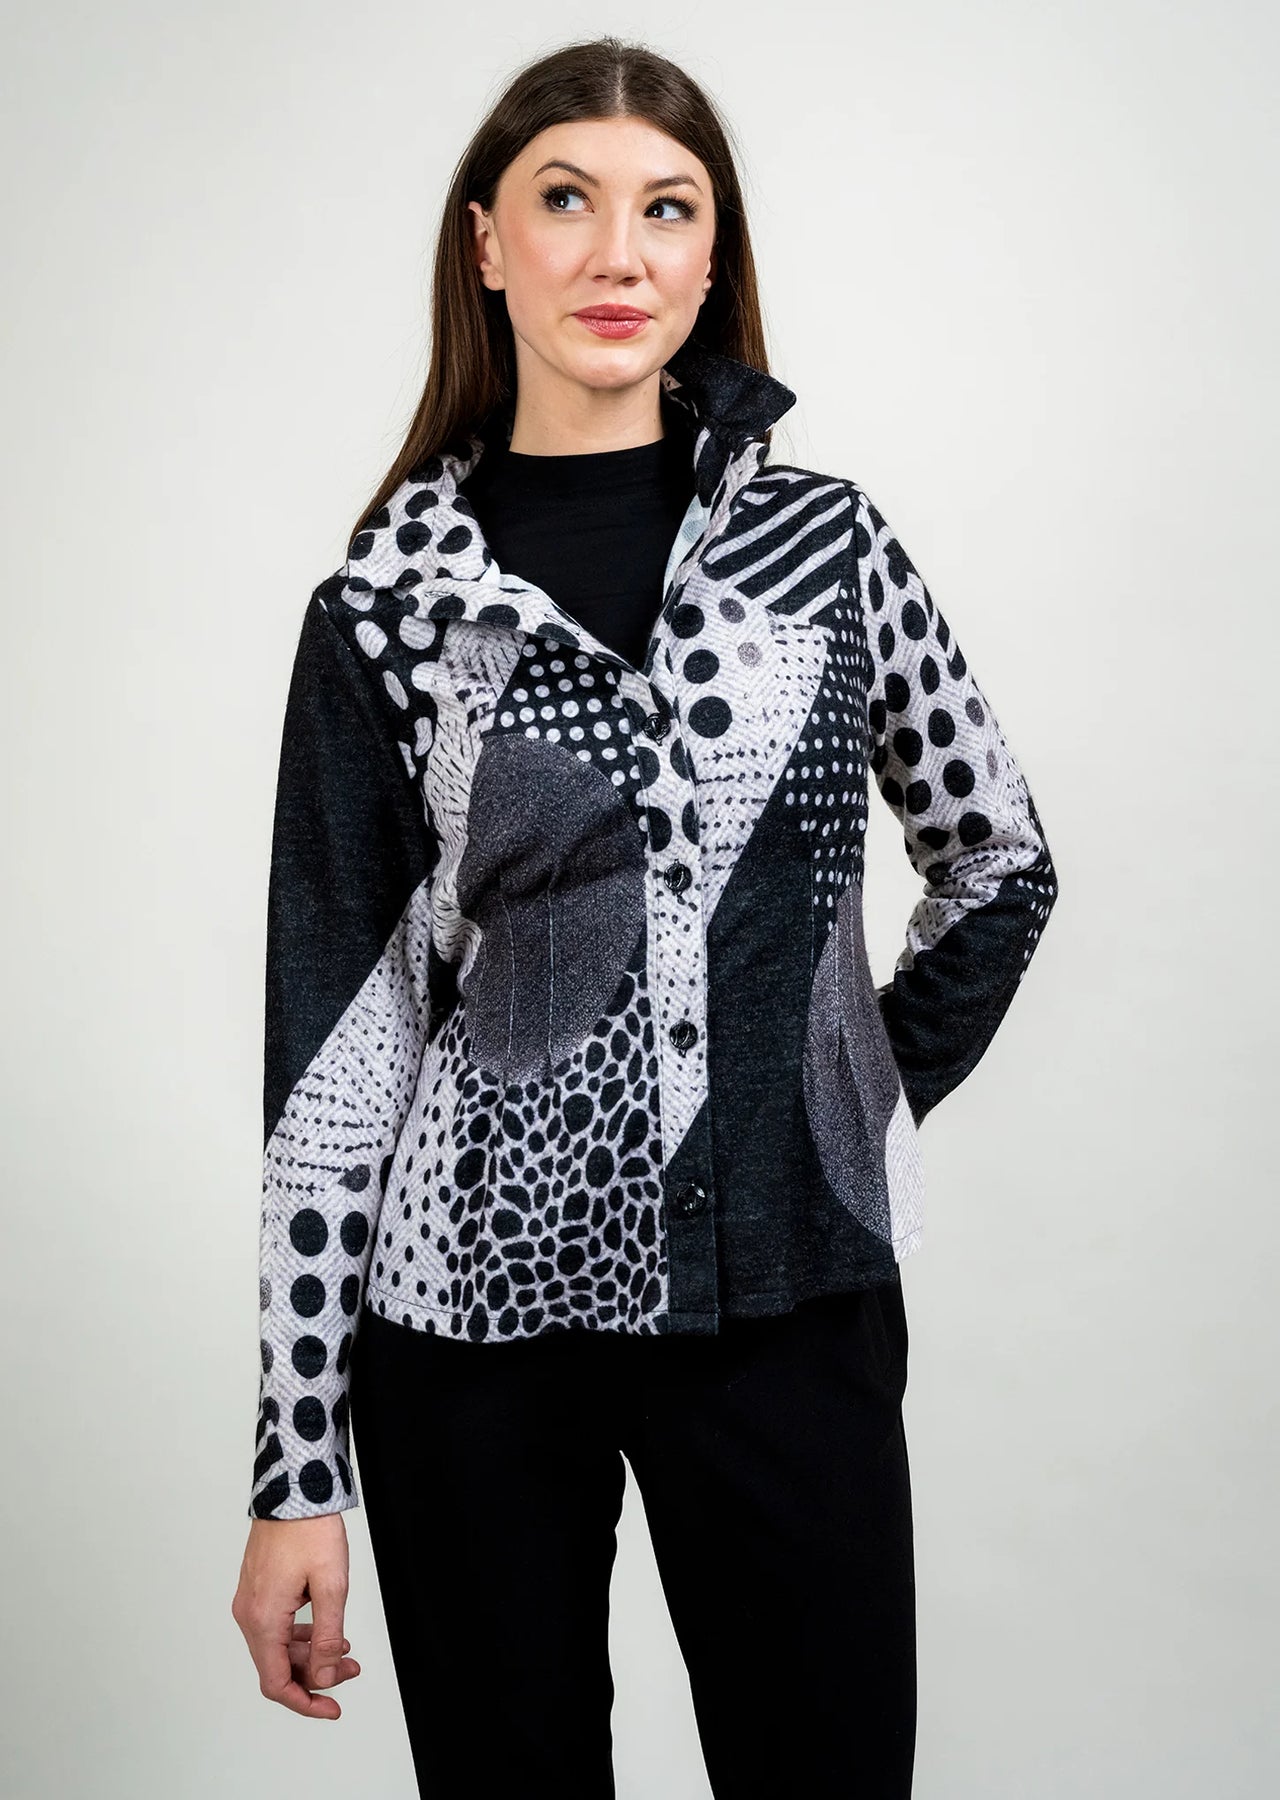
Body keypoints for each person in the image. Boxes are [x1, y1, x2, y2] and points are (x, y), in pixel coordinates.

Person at [231, 34, 1059, 1799]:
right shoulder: (384, 612)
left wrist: (833, 1096)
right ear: (486, 244)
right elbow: (337, 1059)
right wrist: (298, 1472)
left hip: (790, 1305)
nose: (619, 254)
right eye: (567, 200)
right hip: (465, 1332)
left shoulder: (825, 554)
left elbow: (1000, 859)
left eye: (667, 210)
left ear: (710, 254)